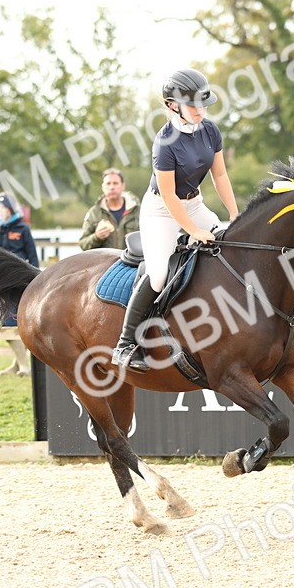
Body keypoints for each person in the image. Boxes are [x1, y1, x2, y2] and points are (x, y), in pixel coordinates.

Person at [111, 68, 239, 371]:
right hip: (161, 212)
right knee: (157, 276)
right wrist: (194, 231)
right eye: (193, 105)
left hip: (194, 204)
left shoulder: (211, 130)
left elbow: (219, 175)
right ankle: (125, 344)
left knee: (231, 245)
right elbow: (169, 197)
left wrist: (234, 214)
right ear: (172, 105)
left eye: (203, 104)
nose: (201, 111)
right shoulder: (165, 142)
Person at [0, 192, 38, 376]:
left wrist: (34, 281)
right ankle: (19, 364)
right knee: (6, 324)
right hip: (0, 285)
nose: (1, 211)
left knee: (17, 323)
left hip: (20, 283)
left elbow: (32, 257)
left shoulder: (23, 229)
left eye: (4, 208)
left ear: (11, 209)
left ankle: (23, 366)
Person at [79, 168, 140, 250]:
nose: (112, 187)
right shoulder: (94, 213)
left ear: (123, 186)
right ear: (103, 187)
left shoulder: (138, 210)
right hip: (105, 262)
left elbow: (152, 238)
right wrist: (96, 237)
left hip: (132, 261)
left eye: (115, 183)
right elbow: (83, 244)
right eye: (108, 184)